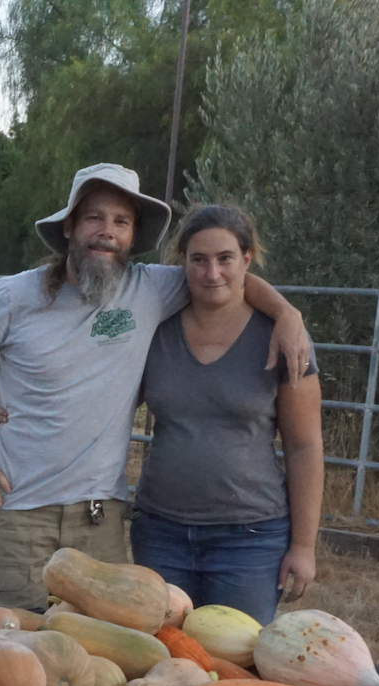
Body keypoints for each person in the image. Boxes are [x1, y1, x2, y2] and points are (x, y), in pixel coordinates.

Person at [0, 163, 311, 611]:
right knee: (16, 654)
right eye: (94, 218)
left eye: (120, 222)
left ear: (132, 235)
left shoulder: (149, 290)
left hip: (99, 520)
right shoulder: (13, 297)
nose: (107, 232)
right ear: (69, 227)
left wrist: (286, 314)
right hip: (18, 514)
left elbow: (224, 273)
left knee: (95, 661)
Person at [129, 204, 324, 624]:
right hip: (160, 531)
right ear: (183, 262)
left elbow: (304, 445)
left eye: (225, 259)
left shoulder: (283, 337)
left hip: (250, 539)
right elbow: (104, 396)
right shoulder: (155, 331)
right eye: (198, 260)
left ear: (247, 260)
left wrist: (304, 547)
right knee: (163, 662)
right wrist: (18, 407)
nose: (212, 273)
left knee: (241, 669)